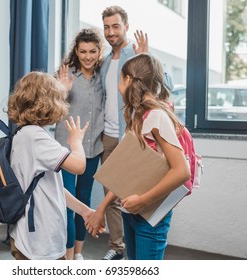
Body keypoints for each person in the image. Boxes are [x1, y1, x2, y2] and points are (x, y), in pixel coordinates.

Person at [87, 53, 190, 260]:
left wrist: (142, 200)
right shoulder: (138, 116)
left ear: (128, 80)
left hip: (151, 216)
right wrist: (101, 208)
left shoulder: (157, 117)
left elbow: (182, 172)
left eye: (119, 80)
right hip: (131, 211)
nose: (117, 87)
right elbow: (127, 171)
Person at [98, 5, 173, 260]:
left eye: (115, 26)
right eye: (106, 27)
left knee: (135, 191)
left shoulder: (138, 59)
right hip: (111, 134)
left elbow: (164, 86)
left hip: (133, 133)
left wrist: (147, 55)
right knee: (115, 185)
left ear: (126, 26)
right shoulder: (106, 61)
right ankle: (117, 246)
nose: (110, 32)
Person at [7, 71, 99, 260]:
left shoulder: (24, 134)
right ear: (48, 103)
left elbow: (50, 187)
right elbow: (79, 166)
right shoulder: (36, 137)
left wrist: (84, 210)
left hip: (33, 239)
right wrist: (76, 141)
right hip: (39, 243)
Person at [54, 28, 104, 260]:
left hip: (92, 148)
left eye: (92, 51)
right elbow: (51, 111)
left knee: (84, 202)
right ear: (76, 51)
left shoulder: (103, 76)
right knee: (66, 204)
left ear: (99, 51)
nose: (87, 56)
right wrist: (61, 91)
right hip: (66, 150)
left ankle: (79, 254)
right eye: (82, 51)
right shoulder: (65, 74)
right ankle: (67, 257)